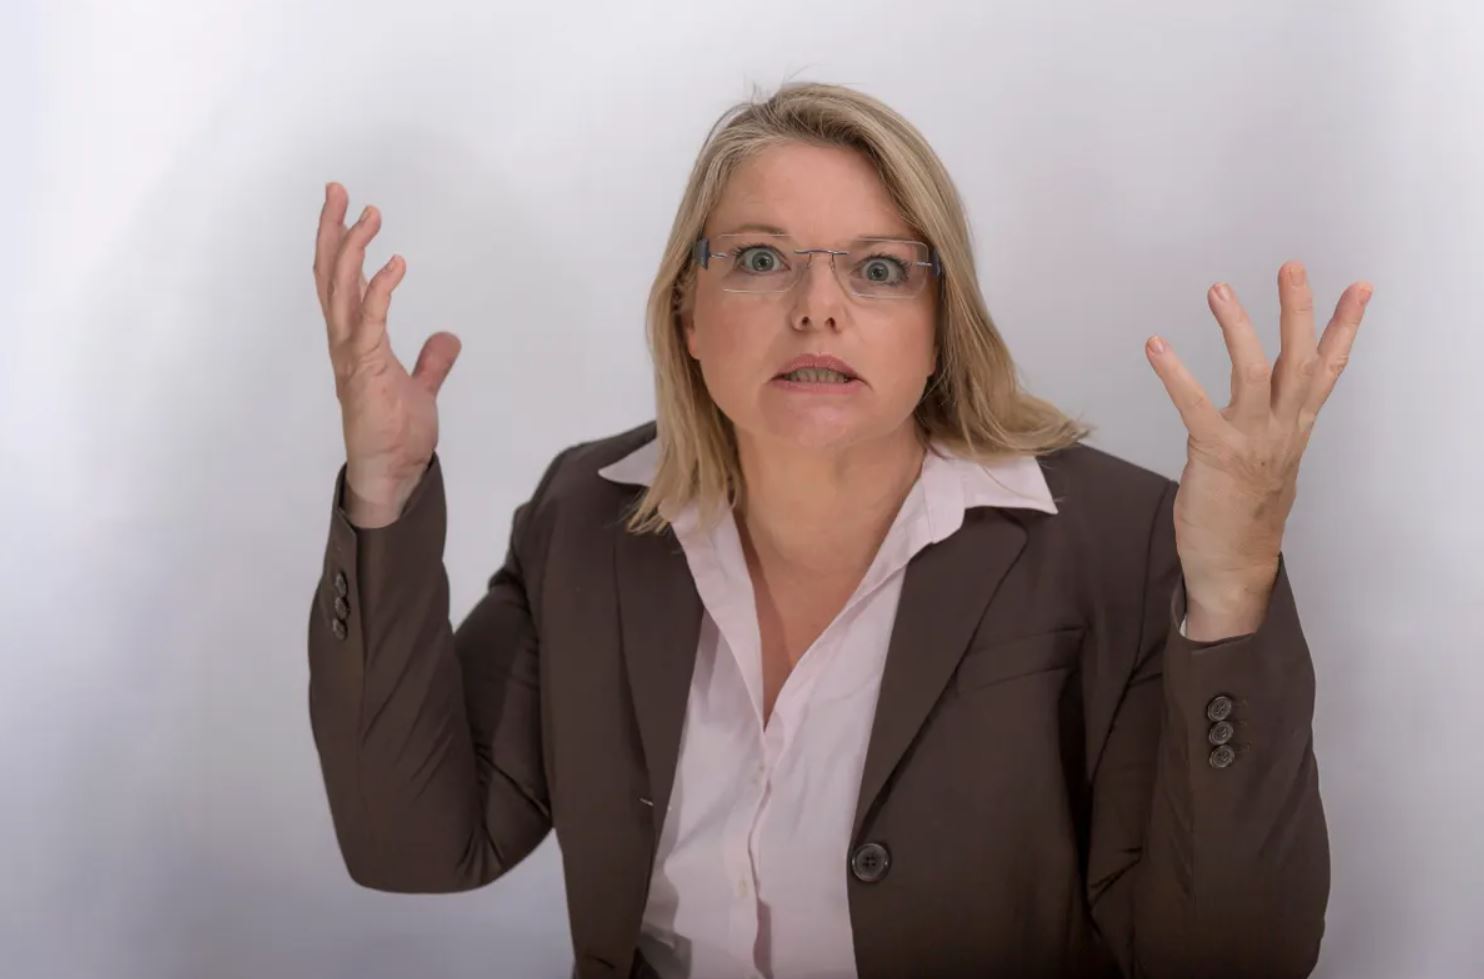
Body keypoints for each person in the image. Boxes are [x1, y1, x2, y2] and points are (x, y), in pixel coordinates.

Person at [307, 82, 1371, 979]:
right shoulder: (585, 514)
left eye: (878, 268)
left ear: (939, 327)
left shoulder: (1115, 541)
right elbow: (412, 843)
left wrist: (1229, 593)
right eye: (761, 259)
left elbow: (1233, 957)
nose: (817, 307)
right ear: (687, 313)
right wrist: (383, 492)